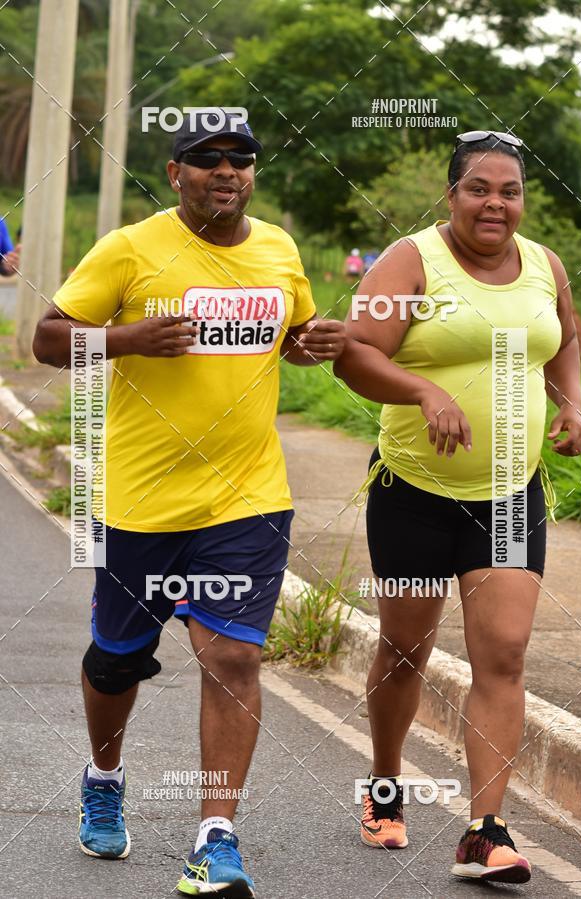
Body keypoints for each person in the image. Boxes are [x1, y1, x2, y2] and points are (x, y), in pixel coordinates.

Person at [33, 110, 345, 897]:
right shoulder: (130, 248)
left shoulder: (279, 250)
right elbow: (46, 338)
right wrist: (126, 339)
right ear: (175, 174)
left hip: (248, 497)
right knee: (117, 659)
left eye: (241, 159)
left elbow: (293, 335)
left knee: (233, 655)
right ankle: (104, 774)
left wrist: (313, 344)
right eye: (207, 159)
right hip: (140, 501)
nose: (226, 171)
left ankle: (215, 838)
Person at [334, 130, 581, 885]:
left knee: (503, 653)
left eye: (510, 191)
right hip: (412, 494)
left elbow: (563, 339)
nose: (495, 203)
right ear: (451, 195)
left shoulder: (544, 264)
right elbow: (354, 353)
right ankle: (385, 782)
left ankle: (485, 831)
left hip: (509, 494)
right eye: (479, 188)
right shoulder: (410, 261)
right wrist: (424, 390)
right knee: (405, 649)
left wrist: (569, 403)